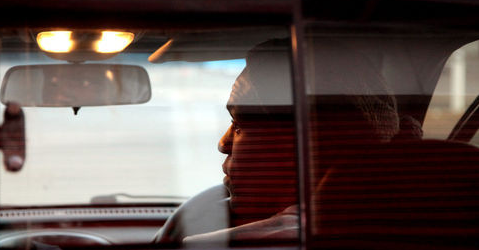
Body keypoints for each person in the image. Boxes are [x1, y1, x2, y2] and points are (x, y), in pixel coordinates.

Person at [155, 37, 421, 247]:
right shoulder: (424, 222)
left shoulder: (223, 239)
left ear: (307, 143)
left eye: (239, 125)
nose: (223, 143)